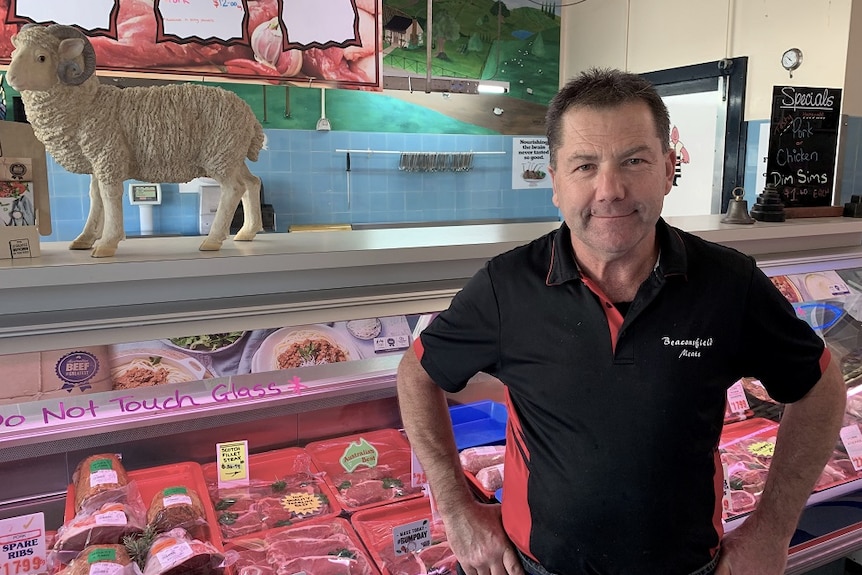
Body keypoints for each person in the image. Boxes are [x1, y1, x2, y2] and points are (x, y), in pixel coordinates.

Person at [396, 68, 847, 575]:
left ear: (668, 169)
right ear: (555, 183)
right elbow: (418, 374)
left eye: (634, 160)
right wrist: (456, 509)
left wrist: (771, 531)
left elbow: (820, 385)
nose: (609, 189)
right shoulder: (507, 286)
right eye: (584, 166)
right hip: (537, 566)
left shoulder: (728, 282)